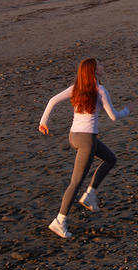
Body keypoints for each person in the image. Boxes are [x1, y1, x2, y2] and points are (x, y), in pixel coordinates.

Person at [38, 58, 131, 239]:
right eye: (100, 65)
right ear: (93, 71)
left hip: (74, 136)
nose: (103, 66)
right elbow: (113, 116)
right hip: (87, 140)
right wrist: (127, 110)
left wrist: (43, 122)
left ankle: (90, 194)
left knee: (110, 158)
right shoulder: (100, 90)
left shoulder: (76, 88)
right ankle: (59, 220)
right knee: (76, 182)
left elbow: (52, 100)